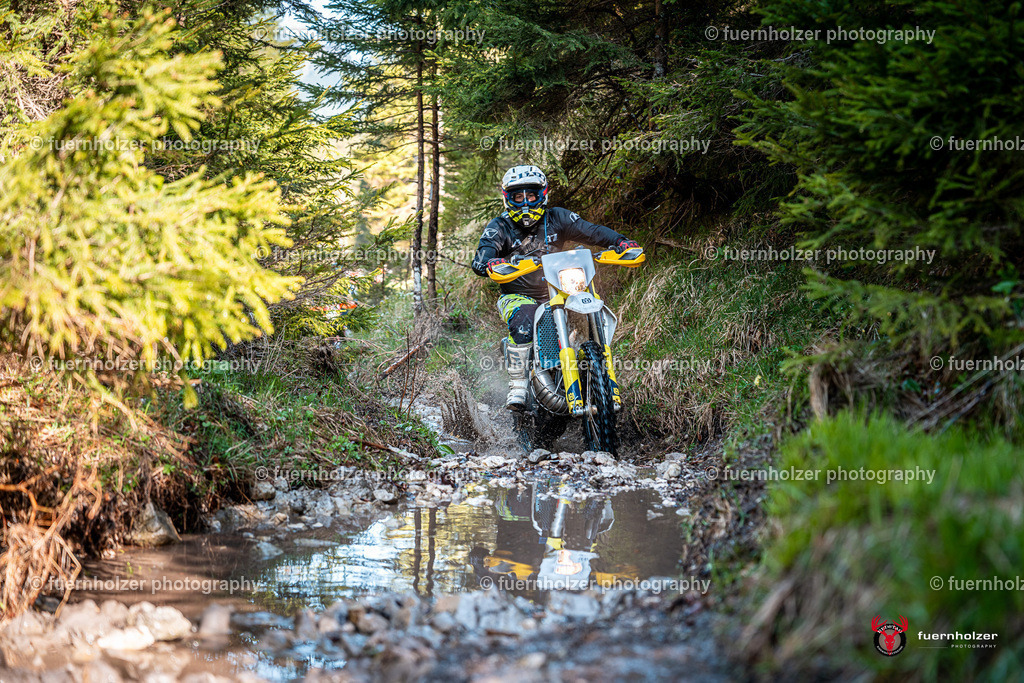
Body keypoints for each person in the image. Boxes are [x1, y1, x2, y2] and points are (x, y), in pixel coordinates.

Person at [471, 165, 639, 411]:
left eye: (531, 196)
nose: (525, 203)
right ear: (508, 198)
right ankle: (518, 385)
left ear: (543, 194)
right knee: (525, 318)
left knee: (589, 308)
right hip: (517, 295)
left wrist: (620, 241)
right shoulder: (499, 226)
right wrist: (490, 261)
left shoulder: (557, 217)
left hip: (560, 290)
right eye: (518, 197)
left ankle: (597, 374)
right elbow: (482, 255)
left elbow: (591, 231)